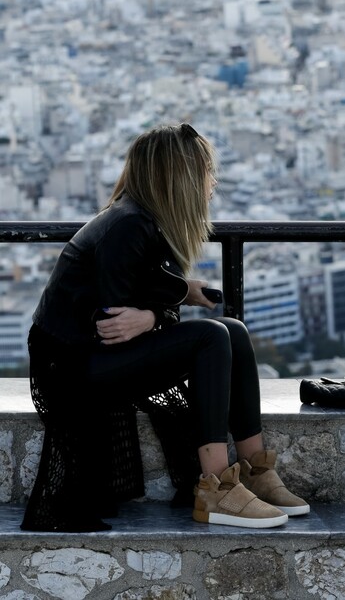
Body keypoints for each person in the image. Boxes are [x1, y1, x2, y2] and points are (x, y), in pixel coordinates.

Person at [22, 122, 309, 533]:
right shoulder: (128, 226)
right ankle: (216, 486)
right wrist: (164, 307)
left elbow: (144, 303)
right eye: (206, 169)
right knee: (210, 336)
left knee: (234, 332)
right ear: (180, 176)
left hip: (94, 356)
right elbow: (113, 326)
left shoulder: (143, 220)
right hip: (73, 368)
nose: (213, 179)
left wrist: (162, 308)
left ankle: (253, 470)